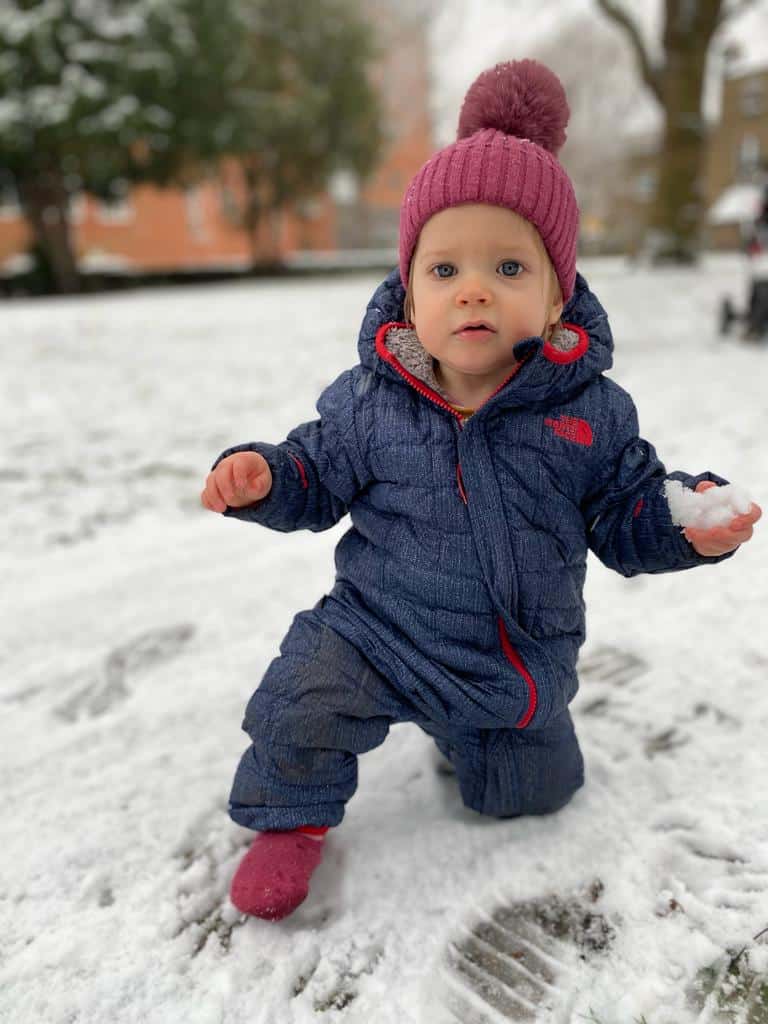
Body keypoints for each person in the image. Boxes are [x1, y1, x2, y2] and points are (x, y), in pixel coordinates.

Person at [201, 60, 762, 922]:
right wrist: (267, 476)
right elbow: (315, 471)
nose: (472, 289)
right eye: (443, 270)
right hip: (376, 633)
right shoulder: (371, 401)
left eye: (507, 266)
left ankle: (469, 735)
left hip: (510, 661)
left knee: (532, 796)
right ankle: (290, 821)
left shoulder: (588, 413)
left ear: (556, 300)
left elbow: (625, 509)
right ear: (408, 293)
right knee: (299, 702)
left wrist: (683, 521)